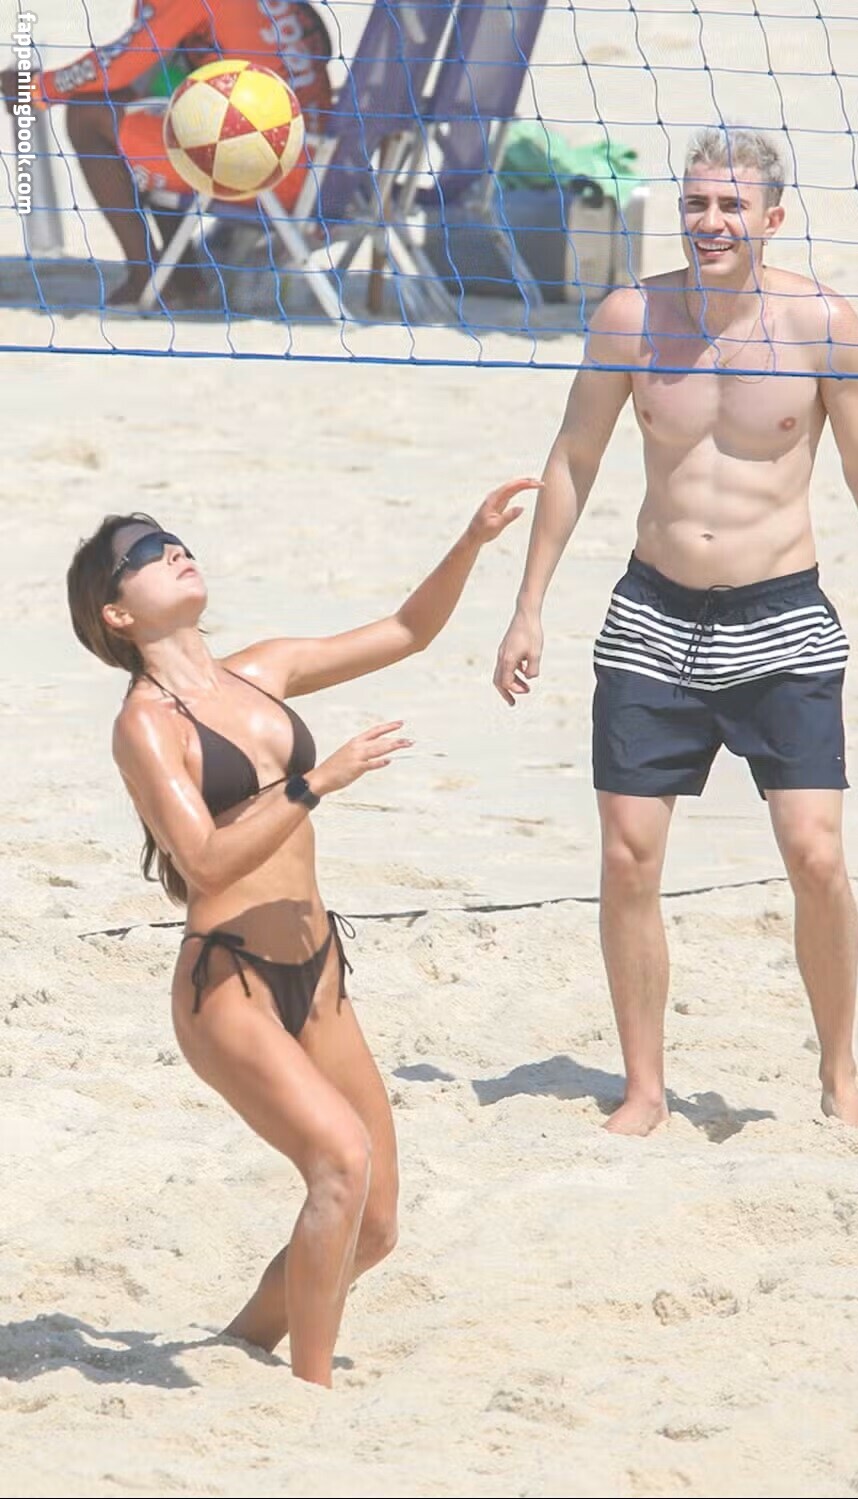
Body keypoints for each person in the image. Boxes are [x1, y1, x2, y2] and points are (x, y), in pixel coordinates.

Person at [493, 125, 858, 1137]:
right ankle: (644, 1087)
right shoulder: (630, 317)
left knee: (814, 855)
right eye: (696, 202)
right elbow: (572, 459)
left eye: (731, 205)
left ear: (771, 217)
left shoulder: (821, 324)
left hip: (782, 617)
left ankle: (839, 1074)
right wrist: (528, 607)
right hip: (653, 616)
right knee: (627, 858)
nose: (710, 221)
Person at [66, 477, 535, 1386]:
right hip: (229, 982)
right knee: (339, 1160)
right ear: (118, 613)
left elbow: (406, 631)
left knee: (378, 1222)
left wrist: (472, 540)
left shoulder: (262, 668)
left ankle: (244, 1341)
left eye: (172, 536)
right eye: (143, 553)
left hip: (316, 968)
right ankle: (310, 1397)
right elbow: (205, 861)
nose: (172, 549)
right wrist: (317, 781)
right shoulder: (145, 726)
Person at [2, 0, 333, 305]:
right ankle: (184, 278)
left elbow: (122, 63)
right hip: (322, 163)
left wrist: (36, 88)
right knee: (165, 115)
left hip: (269, 173)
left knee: (89, 115)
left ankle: (147, 276)